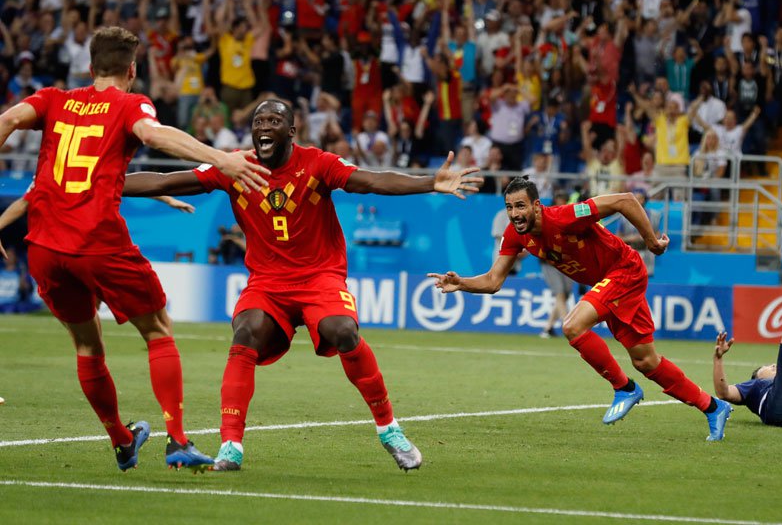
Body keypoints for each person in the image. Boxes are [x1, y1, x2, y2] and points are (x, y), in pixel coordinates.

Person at [120, 99, 482, 472]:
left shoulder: (318, 164)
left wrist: (430, 183)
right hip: (267, 283)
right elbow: (165, 181)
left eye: (274, 121)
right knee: (244, 333)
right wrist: (105, 182)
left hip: (319, 277)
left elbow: (371, 181)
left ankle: (389, 428)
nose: (264, 127)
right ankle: (231, 445)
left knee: (342, 331)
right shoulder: (234, 167)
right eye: (259, 120)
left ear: (291, 131)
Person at [0, 26, 268, 472]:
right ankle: (178, 440)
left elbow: (6, 120)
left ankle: (123, 441)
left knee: (87, 346)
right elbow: (153, 134)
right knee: (158, 330)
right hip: (97, 241)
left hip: (45, 245)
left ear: (90, 67)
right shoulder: (130, 104)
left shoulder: (52, 99)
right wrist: (222, 158)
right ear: (132, 69)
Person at [429, 178, 733, 440]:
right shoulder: (515, 234)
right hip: (610, 283)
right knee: (646, 361)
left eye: (520, 206)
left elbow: (625, 201)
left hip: (624, 270)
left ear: (536, 206)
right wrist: (462, 283)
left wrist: (651, 241)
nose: (515, 214)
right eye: (509, 207)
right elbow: (494, 280)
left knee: (572, 325)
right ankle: (713, 407)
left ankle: (624, 388)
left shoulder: (564, 216)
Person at [539, 191, 573, 338]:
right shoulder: (547, 216)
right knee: (559, 292)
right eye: (558, 199)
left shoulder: (570, 217)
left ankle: (548, 327)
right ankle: (569, 326)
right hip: (549, 261)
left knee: (565, 294)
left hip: (566, 260)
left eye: (563, 200)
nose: (561, 203)